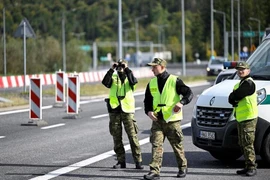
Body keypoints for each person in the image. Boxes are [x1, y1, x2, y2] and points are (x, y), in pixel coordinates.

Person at [143, 58, 193, 179]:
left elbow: (189, 93)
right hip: (157, 120)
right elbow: (147, 101)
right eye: (152, 67)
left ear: (162, 67)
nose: (152, 69)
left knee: (177, 145)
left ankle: (182, 167)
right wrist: (149, 112)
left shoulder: (174, 80)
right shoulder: (152, 83)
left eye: (155, 67)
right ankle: (154, 171)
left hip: (172, 120)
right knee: (156, 145)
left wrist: (181, 103)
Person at [101, 59, 143, 170]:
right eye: (119, 65)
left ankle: (138, 161)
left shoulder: (129, 77)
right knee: (116, 137)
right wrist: (112, 69)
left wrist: (126, 69)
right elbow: (105, 82)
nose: (120, 67)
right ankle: (121, 161)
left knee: (132, 136)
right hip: (115, 109)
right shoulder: (113, 77)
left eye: (122, 65)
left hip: (127, 110)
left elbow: (134, 82)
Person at [228, 61, 258, 177]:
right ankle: (247, 166)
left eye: (243, 69)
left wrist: (234, 96)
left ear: (248, 71)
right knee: (242, 143)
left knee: (247, 143)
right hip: (241, 118)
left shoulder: (249, 83)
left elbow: (238, 95)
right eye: (239, 69)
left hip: (249, 118)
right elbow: (231, 98)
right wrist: (233, 96)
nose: (240, 71)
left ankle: (252, 167)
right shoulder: (240, 83)